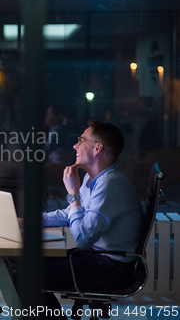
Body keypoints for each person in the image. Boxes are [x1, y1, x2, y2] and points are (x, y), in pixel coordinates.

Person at [39, 119, 143, 318]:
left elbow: (83, 240)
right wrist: (34, 220)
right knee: (30, 264)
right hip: (98, 258)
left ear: (97, 148)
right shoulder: (92, 178)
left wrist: (74, 194)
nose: (75, 145)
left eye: (81, 140)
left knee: (28, 275)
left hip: (112, 268)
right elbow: (70, 214)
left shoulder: (110, 185)